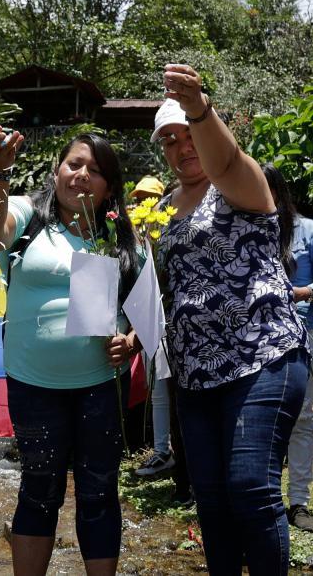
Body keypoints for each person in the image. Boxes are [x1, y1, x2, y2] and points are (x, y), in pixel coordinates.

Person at [155, 65, 308, 574]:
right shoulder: (161, 210)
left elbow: (226, 160)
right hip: (195, 373)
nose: (182, 147)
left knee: (250, 486)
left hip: (262, 355)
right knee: (212, 501)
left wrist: (198, 108)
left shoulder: (241, 183)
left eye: (189, 134)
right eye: (169, 140)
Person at [0, 130, 140, 576]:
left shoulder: (123, 232)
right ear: (56, 171)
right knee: (39, 489)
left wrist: (132, 341)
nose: (82, 175)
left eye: (96, 170)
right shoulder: (29, 214)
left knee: (99, 491)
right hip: (34, 384)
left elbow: (149, 304)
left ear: (110, 186)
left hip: (101, 387)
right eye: (74, 164)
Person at [262, 164, 313, 533]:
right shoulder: (248, 229)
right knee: (262, 420)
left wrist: (304, 292)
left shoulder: (310, 230)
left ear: (278, 191)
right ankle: (266, 498)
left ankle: (300, 503)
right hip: (255, 336)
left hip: (300, 331)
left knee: (301, 418)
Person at [129, 173, 175, 478]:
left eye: (147, 198)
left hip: (172, 319)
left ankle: (171, 453)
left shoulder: (168, 232)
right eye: (137, 199)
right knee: (157, 389)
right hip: (147, 319)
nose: (140, 204)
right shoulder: (132, 236)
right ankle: (161, 451)